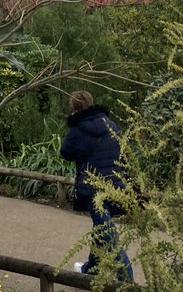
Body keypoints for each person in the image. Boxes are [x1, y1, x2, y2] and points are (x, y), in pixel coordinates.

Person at [60, 89, 134, 281]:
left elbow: (65, 152)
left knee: (106, 231)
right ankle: (91, 269)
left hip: (93, 188)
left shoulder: (77, 130)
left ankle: (127, 278)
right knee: (101, 228)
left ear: (74, 108)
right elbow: (124, 151)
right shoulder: (111, 125)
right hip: (115, 184)